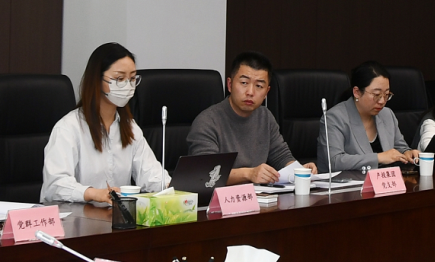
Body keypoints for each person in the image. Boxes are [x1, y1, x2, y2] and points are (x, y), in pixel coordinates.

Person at [42, 43, 170, 203]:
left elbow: (151, 174)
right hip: (78, 215)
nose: (128, 86)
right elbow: (55, 185)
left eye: (132, 79)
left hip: (116, 215)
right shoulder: (69, 128)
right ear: (97, 79)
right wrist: (94, 194)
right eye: (119, 79)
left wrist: (173, 185)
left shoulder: (130, 127)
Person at [186, 51, 304, 185]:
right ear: (230, 85)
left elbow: (281, 156)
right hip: (220, 196)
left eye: (259, 86)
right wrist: (249, 174)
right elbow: (205, 173)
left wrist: (299, 170)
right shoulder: (207, 121)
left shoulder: (265, 117)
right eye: (244, 83)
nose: (250, 92)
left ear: (266, 92)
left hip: (259, 195)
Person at [321, 62, 416, 170]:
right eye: (377, 95)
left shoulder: (387, 114)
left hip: (385, 179)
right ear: (357, 92)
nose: (382, 101)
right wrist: (378, 158)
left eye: (386, 94)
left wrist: (408, 153)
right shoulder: (335, 118)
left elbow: (400, 148)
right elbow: (334, 161)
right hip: (350, 180)